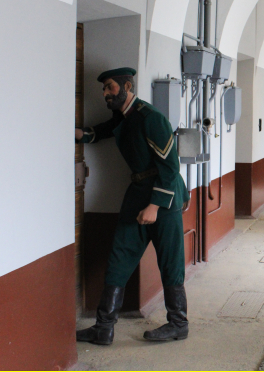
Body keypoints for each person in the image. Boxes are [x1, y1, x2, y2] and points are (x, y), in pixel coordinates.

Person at [75, 67, 191, 345]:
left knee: (170, 262)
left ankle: (178, 323)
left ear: (127, 86)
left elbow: (170, 167)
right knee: (119, 257)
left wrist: (155, 205)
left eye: (110, 87)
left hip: (164, 198)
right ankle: (104, 327)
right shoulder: (123, 116)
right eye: (104, 89)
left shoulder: (150, 118)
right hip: (137, 193)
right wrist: (82, 134)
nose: (105, 93)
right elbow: (103, 130)